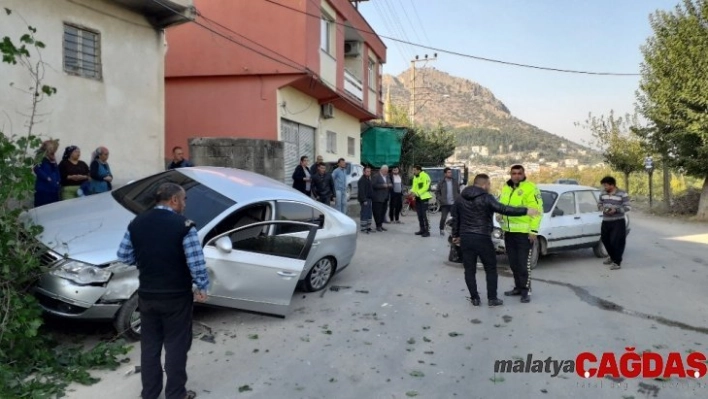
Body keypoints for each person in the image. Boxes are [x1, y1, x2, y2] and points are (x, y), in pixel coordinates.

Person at [116, 183, 208, 399]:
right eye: (184, 200)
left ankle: (149, 393)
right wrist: (202, 286)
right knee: (176, 346)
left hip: (147, 296)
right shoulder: (184, 226)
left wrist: (148, 258)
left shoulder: (137, 223)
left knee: (150, 347)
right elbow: (196, 263)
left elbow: (124, 256)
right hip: (176, 297)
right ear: (174, 200)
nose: (185, 204)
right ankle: (176, 394)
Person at [451, 174, 538, 307]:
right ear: (484, 184)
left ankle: (475, 298)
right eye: (489, 184)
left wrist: (455, 236)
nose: (490, 187)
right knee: (491, 268)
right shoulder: (486, 198)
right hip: (483, 238)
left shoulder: (460, 198)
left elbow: (455, 218)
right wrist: (526, 211)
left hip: (466, 239)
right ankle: (492, 299)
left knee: (469, 270)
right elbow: (504, 209)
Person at [498, 164, 543, 303]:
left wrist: (533, 231)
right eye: (514, 173)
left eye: (519, 173)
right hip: (509, 232)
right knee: (513, 263)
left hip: (524, 233)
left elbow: (537, 211)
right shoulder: (506, 188)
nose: (516, 175)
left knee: (523, 264)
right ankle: (518, 287)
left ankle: (526, 291)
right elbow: (502, 205)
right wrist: (499, 215)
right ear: (510, 174)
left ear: (524, 174)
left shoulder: (530, 188)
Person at [598, 176, 630, 270]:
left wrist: (616, 210)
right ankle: (612, 257)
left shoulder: (622, 194)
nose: (605, 187)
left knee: (617, 242)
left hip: (618, 221)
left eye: (606, 185)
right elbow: (599, 204)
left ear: (612, 185)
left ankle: (617, 262)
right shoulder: (603, 193)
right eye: (604, 185)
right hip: (606, 221)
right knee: (605, 240)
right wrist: (604, 209)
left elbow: (628, 207)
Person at [33, 140, 61, 207]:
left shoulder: (52, 157)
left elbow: (56, 170)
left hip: (54, 188)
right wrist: (47, 177)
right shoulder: (40, 156)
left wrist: (58, 179)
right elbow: (36, 168)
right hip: (43, 188)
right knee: (42, 207)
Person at [435, 167, 460, 235]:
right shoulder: (441, 182)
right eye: (448, 172)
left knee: (455, 218)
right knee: (443, 218)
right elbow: (437, 192)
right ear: (445, 174)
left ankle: (454, 231)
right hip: (445, 203)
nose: (450, 174)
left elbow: (458, 191)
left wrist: (457, 198)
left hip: (453, 203)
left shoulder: (454, 182)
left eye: (451, 172)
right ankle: (441, 229)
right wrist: (440, 199)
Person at [411, 165, 432, 237]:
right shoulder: (415, 177)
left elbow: (426, 187)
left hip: (424, 197)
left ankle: (427, 231)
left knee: (424, 215)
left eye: (414, 170)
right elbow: (414, 187)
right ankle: (422, 229)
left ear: (419, 170)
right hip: (417, 198)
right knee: (419, 215)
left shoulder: (425, 176)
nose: (413, 172)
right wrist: (411, 192)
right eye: (413, 170)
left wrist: (417, 193)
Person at [371, 165, 392, 232]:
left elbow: (390, 183)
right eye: (385, 171)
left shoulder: (387, 176)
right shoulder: (376, 176)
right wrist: (382, 185)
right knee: (377, 212)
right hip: (377, 198)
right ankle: (378, 226)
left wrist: (390, 185)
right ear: (381, 170)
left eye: (387, 171)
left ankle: (381, 225)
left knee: (383, 212)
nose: (386, 172)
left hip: (385, 197)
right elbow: (373, 185)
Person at [357, 166, 374, 233]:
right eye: (367, 171)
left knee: (369, 213)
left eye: (369, 171)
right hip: (365, 200)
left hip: (369, 199)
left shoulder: (368, 179)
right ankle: (363, 228)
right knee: (364, 213)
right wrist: (364, 200)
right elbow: (361, 191)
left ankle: (368, 227)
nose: (368, 172)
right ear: (364, 172)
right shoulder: (361, 180)